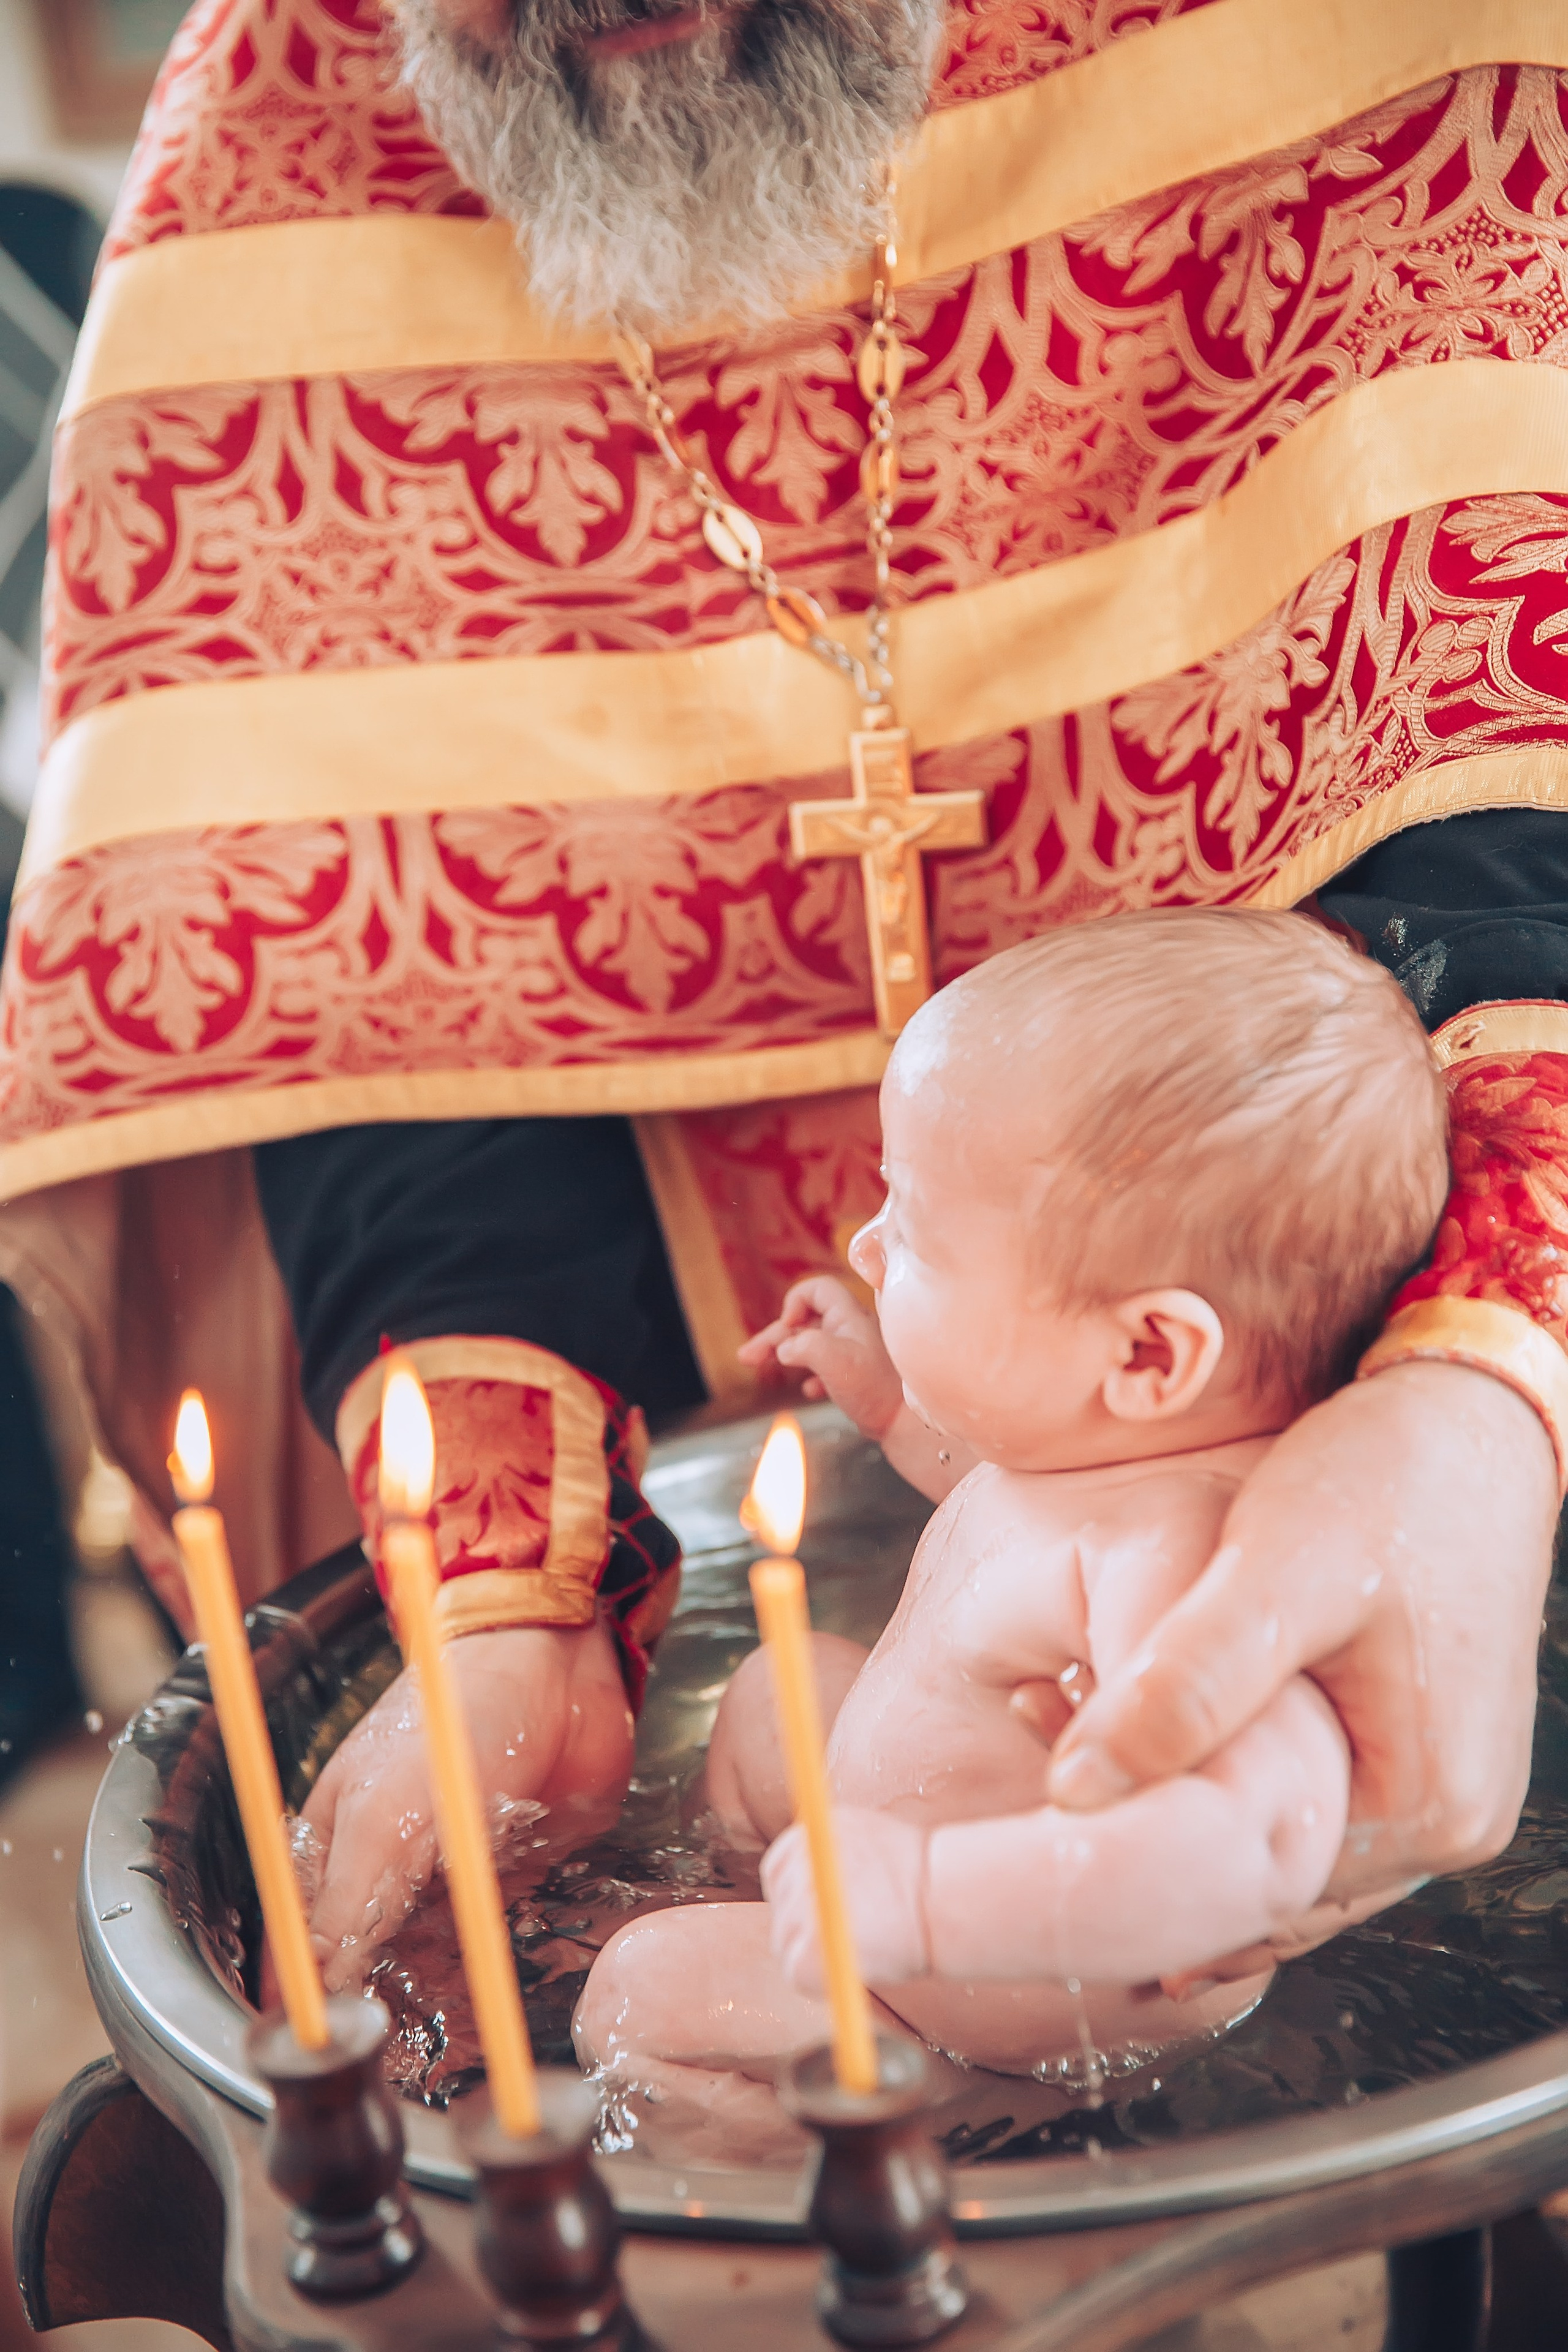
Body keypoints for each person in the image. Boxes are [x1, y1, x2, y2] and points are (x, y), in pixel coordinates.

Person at [0, 0, 1564, 1990]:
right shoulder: (292, 124)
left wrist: (1483, 1389)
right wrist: (506, 1590)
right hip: (658, 1377)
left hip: (1365, 1337)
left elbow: (1502, 746)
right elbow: (362, 957)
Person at [571, 910, 1442, 2142]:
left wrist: (930, 1900)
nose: (866, 1244)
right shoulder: (1095, 1443)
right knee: (777, 1693)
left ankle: (953, 2121)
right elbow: (986, 1501)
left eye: (915, 1232)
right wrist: (888, 1399)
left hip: (996, 2006)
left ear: (1147, 1352)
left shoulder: (1184, 1557)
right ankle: (757, 1916)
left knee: (639, 1996)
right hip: (907, 1897)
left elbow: (1254, 1845)